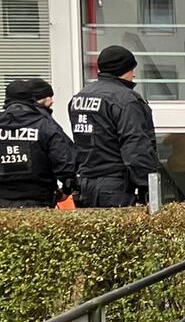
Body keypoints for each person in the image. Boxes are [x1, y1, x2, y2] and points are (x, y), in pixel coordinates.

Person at [68, 45, 157, 208]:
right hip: (115, 188)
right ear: (123, 69)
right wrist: (147, 185)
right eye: (132, 69)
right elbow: (135, 145)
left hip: (85, 186)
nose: (134, 74)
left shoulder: (78, 98)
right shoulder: (126, 100)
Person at [0, 79, 76, 208]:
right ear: (32, 99)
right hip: (38, 202)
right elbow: (64, 160)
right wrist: (67, 187)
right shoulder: (44, 125)